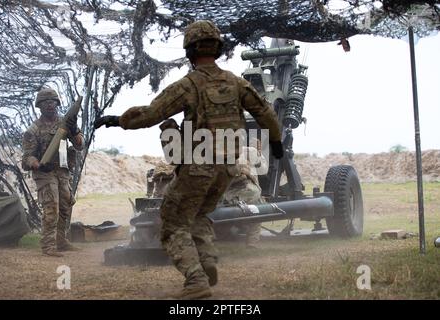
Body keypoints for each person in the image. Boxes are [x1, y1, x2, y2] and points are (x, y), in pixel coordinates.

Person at [95, 20, 283, 299]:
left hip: (199, 166)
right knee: (198, 215)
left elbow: (151, 114)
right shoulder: (237, 82)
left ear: (190, 51)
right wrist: (276, 142)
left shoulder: (188, 85)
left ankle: (196, 280)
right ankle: (206, 262)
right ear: (217, 48)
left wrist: (118, 121)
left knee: (172, 223)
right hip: (228, 168)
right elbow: (265, 112)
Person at [22, 88, 84, 257]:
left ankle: (61, 241)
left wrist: (75, 130)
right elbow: (27, 158)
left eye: (53, 101)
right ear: (39, 106)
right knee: (52, 208)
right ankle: (48, 246)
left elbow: (79, 145)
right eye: (45, 102)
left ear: (57, 104)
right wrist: (38, 165)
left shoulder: (65, 123)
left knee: (65, 205)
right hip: (44, 172)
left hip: (62, 170)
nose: (50, 105)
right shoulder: (33, 130)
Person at [217, 140, 267, 248]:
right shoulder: (221, 155)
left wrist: (258, 155)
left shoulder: (249, 152)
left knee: (256, 212)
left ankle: (252, 243)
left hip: (249, 190)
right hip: (230, 192)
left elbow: (263, 169)